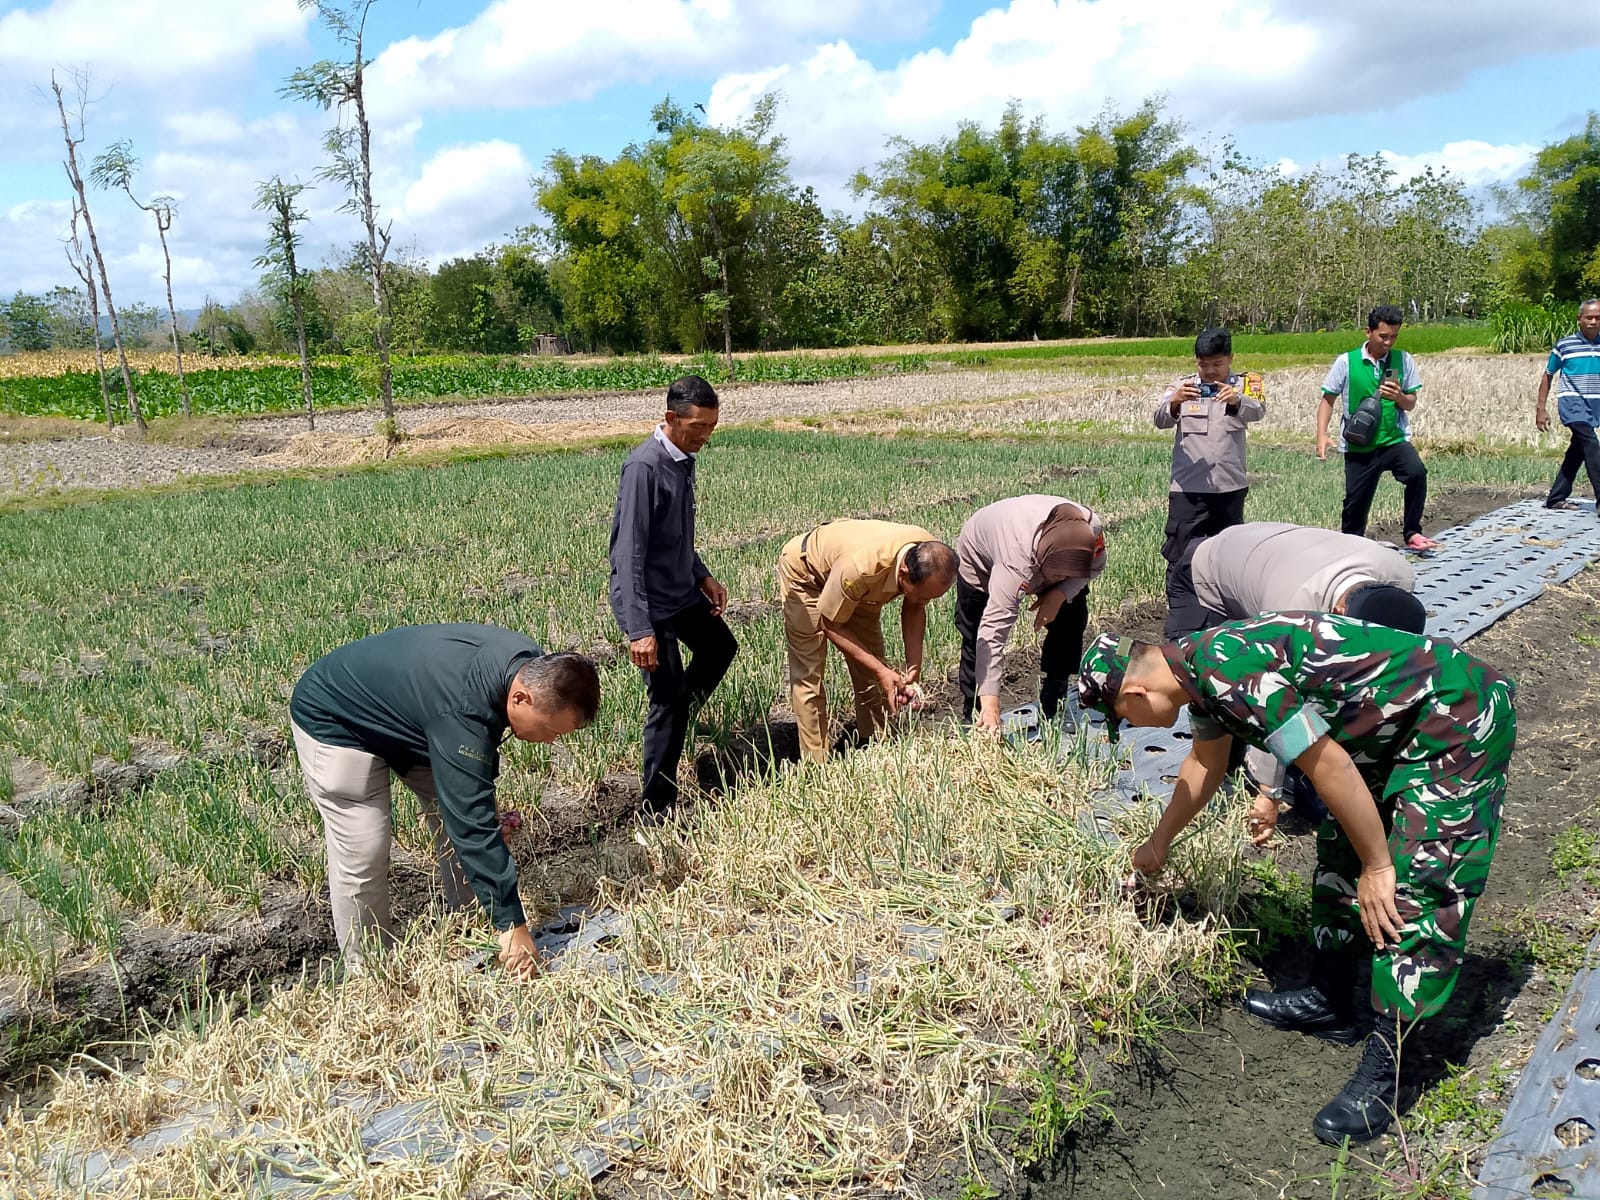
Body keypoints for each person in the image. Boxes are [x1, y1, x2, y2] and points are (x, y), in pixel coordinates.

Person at [1077, 618, 1515, 1145]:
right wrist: (1160, 841)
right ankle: (1331, 1000)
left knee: (1417, 881)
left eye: (1121, 715)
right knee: (1338, 857)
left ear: (1136, 689)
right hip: (1389, 731)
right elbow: (1205, 762)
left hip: (1455, 717)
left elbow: (1326, 763)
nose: (1130, 725)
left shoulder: (1228, 673)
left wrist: (1379, 865)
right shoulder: (1196, 677)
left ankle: (1392, 1068)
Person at [290, 625, 600, 978]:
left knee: (465, 817)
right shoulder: (464, 710)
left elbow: (470, 787)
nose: (550, 742)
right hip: (337, 717)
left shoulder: (528, 667)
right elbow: (471, 819)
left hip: (418, 718)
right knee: (365, 846)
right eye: (551, 730)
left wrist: (479, 812)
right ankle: (369, 970)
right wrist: (513, 923)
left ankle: (472, 923)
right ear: (520, 699)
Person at [1165, 521, 1424, 832]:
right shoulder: (1290, 612)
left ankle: (1301, 772)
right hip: (1208, 570)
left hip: (1272, 555)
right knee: (1206, 685)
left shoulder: (1399, 575)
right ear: (1339, 611)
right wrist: (1268, 793)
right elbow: (1266, 696)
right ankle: (1217, 782)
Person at [608, 375, 739, 814]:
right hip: (650, 603)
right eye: (698, 426)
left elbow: (676, 536)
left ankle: (682, 715)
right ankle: (656, 804)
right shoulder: (644, 468)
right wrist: (639, 628)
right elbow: (629, 553)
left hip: (681, 591)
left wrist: (702, 576)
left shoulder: (683, 458)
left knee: (720, 646)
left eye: (712, 426)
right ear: (670, 418)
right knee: (666, 700)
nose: (705, 435)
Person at [778, 519, 956, 762]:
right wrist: (882, 671)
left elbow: (915, 605)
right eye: (923, 595)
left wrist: (913, 667)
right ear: (904, 574)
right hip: (808, 577)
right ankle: (815, 762)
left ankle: (875, 743)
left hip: (860, 588)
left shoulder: (929, 555)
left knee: (872, 664)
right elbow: (831, 626)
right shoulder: (860, 568)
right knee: (809, 672)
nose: (926, 600)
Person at [954, 495, 1107, 732]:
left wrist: (1060, 593)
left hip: (1041, 552)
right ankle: (975, 712)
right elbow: (992, 632)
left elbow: (1095, 567)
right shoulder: (1015, 563)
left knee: (1072, 618)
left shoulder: (1090, 531)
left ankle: (1055, 696)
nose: (1055, 581)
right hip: (981, 557)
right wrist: (991, 703)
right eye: (1054, 576)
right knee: (975, 633)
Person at [1154, 327, 1266, 636]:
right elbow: (1159, 418)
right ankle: (1180, 619)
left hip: (1229, 487)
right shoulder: (1181, 385)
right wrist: (1175, 402)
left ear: (1230, 359)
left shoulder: (1247, 384)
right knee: (1179, 553)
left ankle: (1223, 621)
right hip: (1188, 490)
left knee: (1228, 554)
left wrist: (1238, 400)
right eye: (1203, 365)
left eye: (1216, 364)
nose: (1209, 371)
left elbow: (1259, 412)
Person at [1316, 306, 1438, 551]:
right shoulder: (1346, 362)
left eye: (1394, 336)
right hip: (1359, 444)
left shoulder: (1403, 359)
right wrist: (1321, 435)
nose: (1388, 342)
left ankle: (1412, 532)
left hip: (1393, 440)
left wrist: (1399, 397)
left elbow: (1411, 404)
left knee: (1417, 474)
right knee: (1355, 505)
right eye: (1383, 336)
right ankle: (1350, 547)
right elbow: (1327, 399)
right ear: (1368, 332)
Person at [1535, 298, 1600, 515]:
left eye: (1598, 318)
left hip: (1594, 404)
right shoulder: (1565, 345)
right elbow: (1548, 375)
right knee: (1591, 445)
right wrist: (1541, 409)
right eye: (1589, 317)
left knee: (1577, 451)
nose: (1593, 321)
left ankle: (1556, 497)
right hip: (1572, 404)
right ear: (1579, 319)